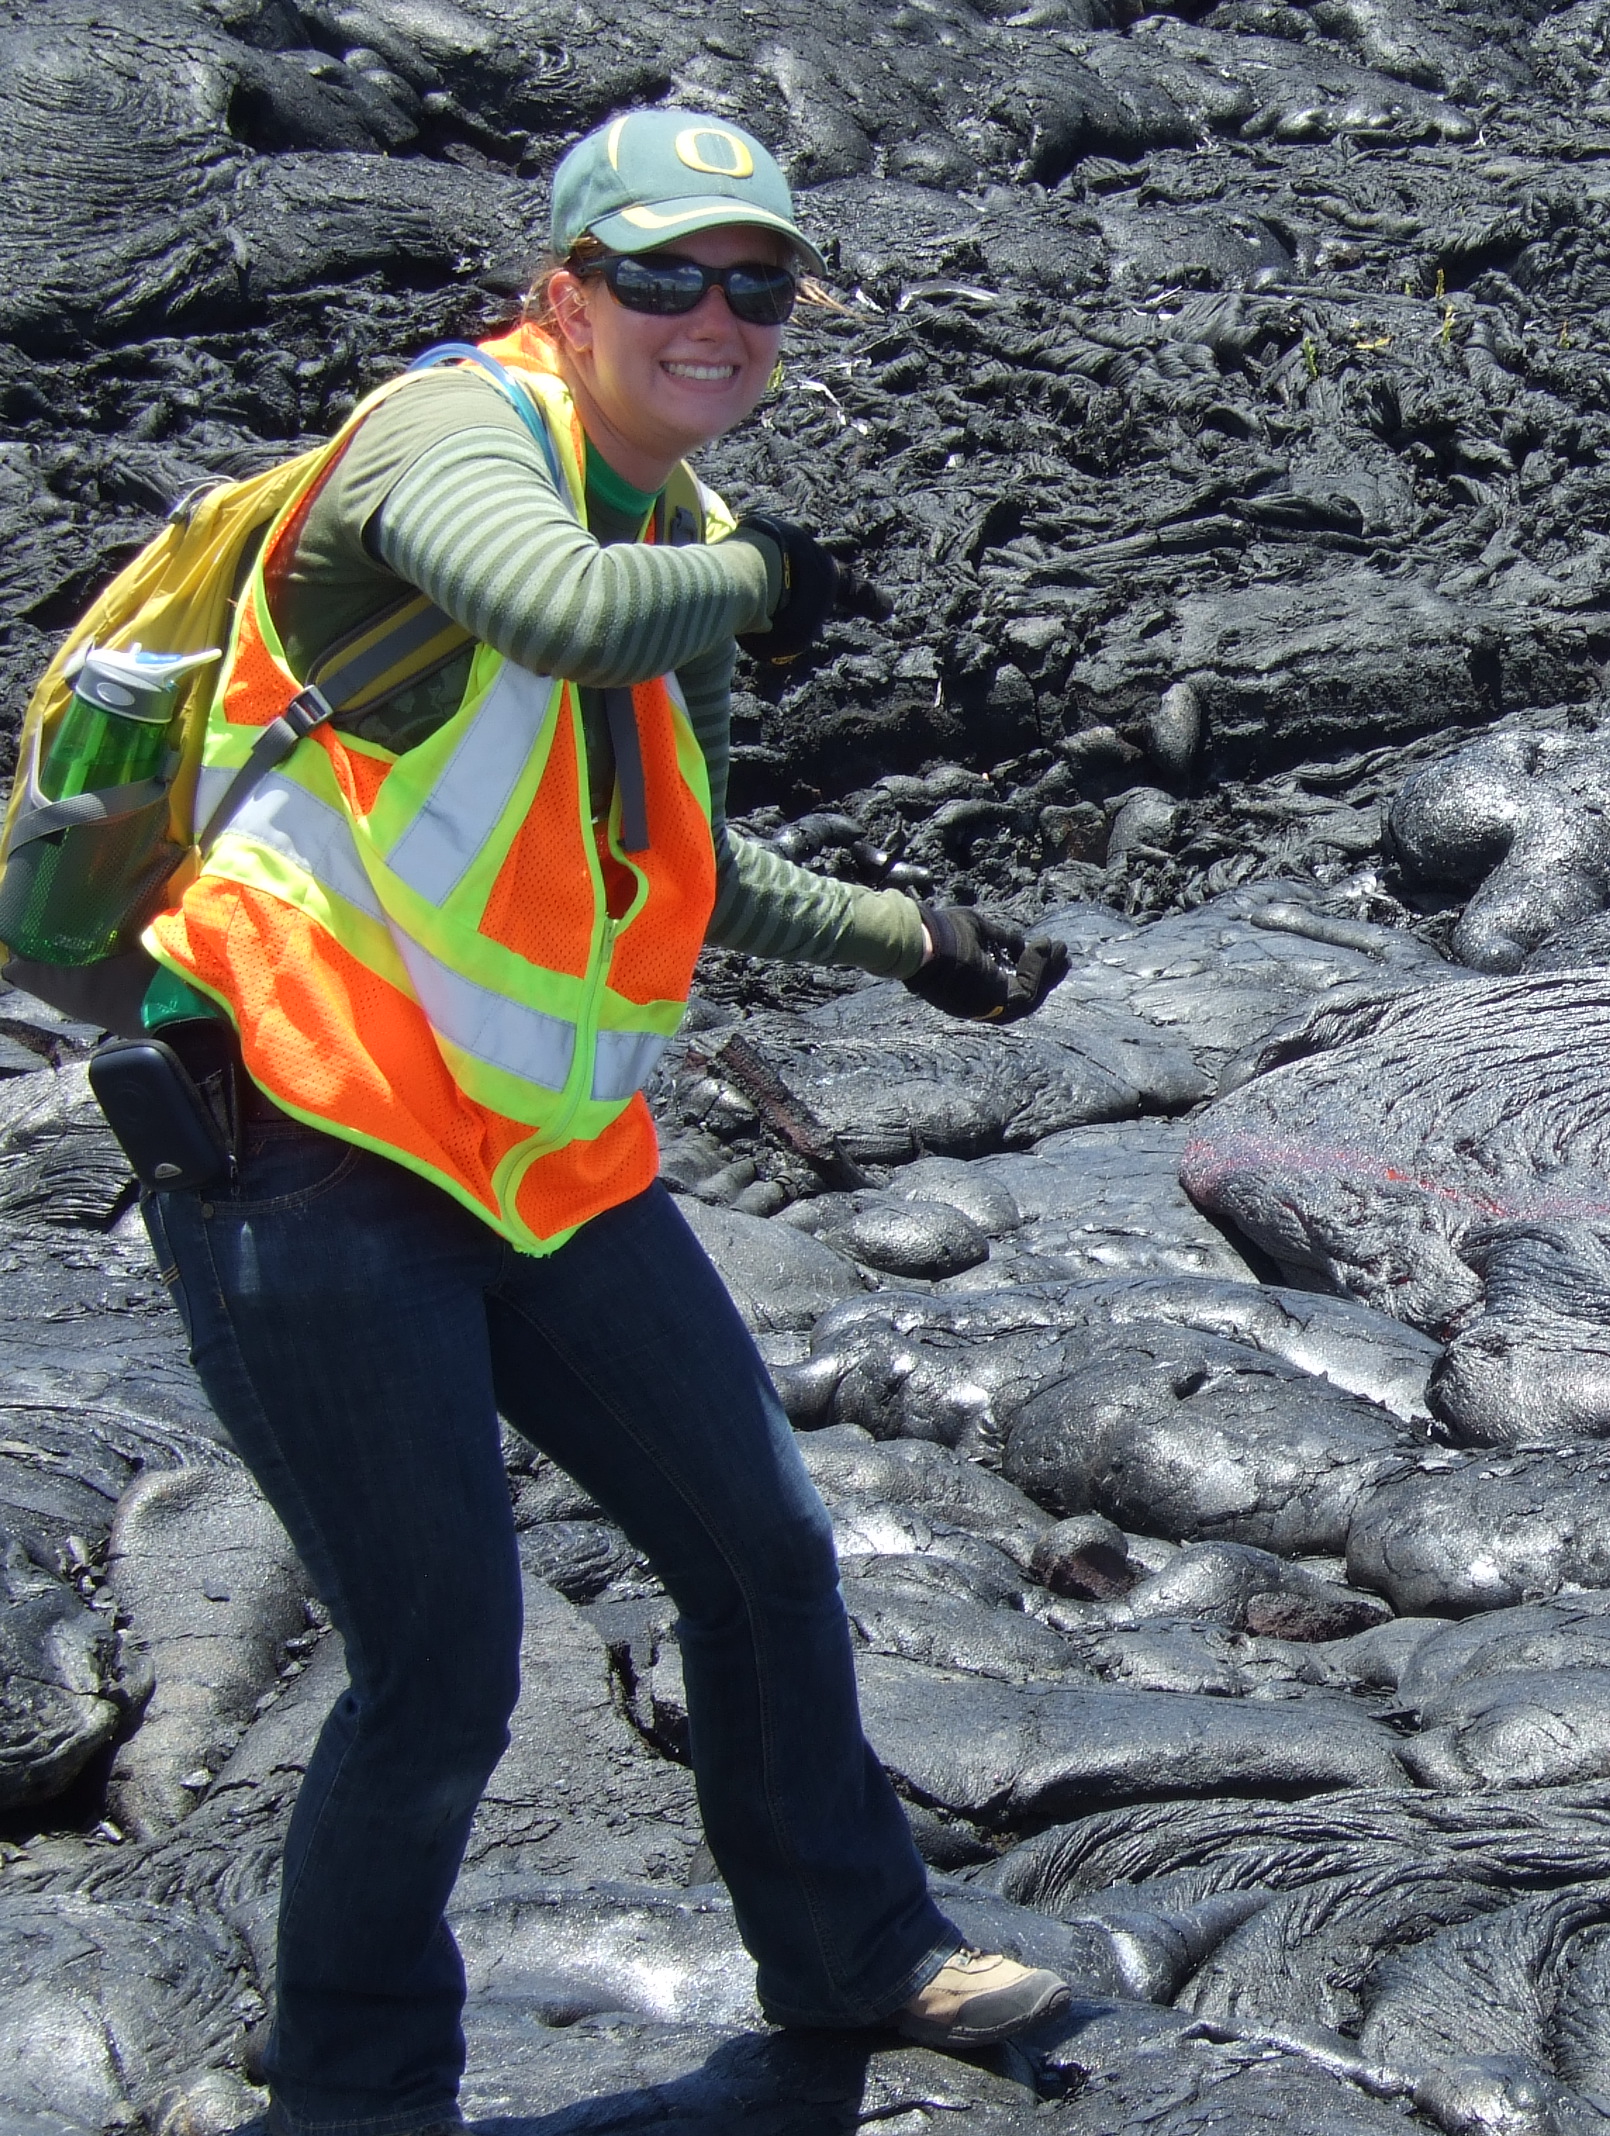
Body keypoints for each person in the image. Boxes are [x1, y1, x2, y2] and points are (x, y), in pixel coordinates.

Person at [127, 110, 1069, 2136]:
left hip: (536, 1155)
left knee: (761, 1549)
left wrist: (918, 940)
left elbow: (678, 860)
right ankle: (357, 2097)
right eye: (660, 277)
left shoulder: (668, 527)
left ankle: (852, 1950)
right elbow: (547, 611)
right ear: (562, 293)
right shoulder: (444, 440)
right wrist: (753, 579)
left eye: (753, 284)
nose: (711, 316)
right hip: (303, 1143)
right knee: (442, 1668)